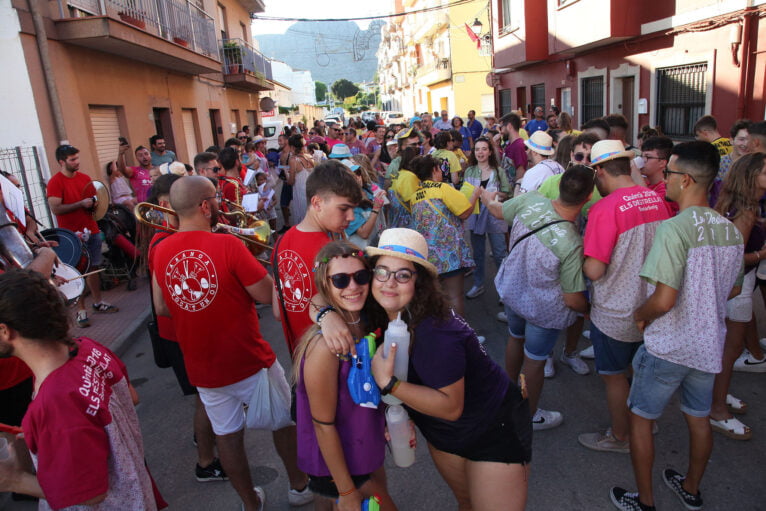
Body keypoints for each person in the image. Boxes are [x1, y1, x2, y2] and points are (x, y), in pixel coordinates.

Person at [152, 176, 312, 510]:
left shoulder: (160, 249)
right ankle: (299, 487)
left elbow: (163, 307)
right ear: (204, 206)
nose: (220, 205)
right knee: (284, 421)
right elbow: (268, 294)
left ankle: (249, 503)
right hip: (249, 358)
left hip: (203, 366)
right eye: (215, 200)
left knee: (227, 436)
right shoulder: (227, 245)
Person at [610, 142, 744, 511]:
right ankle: (691, 488)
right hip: (707, 345)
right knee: (698, 419)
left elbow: (663, 300)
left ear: (684, 180)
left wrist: (641, 314)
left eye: (668, 173)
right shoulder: (730, 231)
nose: (664, 179)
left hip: (668, 345)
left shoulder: (673, 230)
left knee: (641, 420)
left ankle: (646, 501)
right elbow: (733, 288)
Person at [367, 228, 531, 511]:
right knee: (466, 503)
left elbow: (451, 406)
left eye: (403, 275)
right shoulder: (385, 314)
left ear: (420, 283)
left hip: (493, 428)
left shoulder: (435, 330)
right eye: (381, 271)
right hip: (444, 432)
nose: (389, 282)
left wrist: (390, 384)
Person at [0, 269, 165, 510]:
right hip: (138, 493)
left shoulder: (55, 403)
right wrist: (58, 437)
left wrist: (13, 480)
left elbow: (89, 495)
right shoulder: (86, 348)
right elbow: (131, 396)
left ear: (5, 331)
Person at [578, 140, 669, 454]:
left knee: (614, 377)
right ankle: (644, 422)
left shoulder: (603, 209)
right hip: (652, 309)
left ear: (600, 170)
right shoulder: (657, 200)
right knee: (638, 370)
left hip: (615, 313)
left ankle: (620, 437)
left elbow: (594, 271)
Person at [483, 166, 592, 430]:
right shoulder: (572, 242)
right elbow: (572, 299)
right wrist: (591, 311)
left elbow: (499, 211)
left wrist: (488, 198)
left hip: (513, 293)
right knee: (535, 359)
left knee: (515, 338)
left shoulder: (532, 200)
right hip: (543, 310)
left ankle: (507, 396)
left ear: (559, 184)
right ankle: (528, 414)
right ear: (588, 198)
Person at [293, 241, 396, 511]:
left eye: (361, 276)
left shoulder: (368, 320)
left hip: (363, 446)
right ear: (326, 284)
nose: (352, 287)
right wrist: (347, 490)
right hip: (337, 465)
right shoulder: (324, 348)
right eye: (340, 280)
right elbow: (322, 425)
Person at [145, 173, 226, 484]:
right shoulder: (164, 241)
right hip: (179, 334)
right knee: (204, 396)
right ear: (167, 205)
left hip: (186, 331)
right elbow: (165, 302)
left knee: (206, 396)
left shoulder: (174, 237)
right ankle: (205, 462)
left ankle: (203, 438)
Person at [272, 161, 362, 354]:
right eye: (344, 209)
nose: (351, 217)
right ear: (317, 203)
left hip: (301, 359)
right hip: (334, 358)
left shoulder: (280, 243)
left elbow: (278, 312)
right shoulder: (335, 253)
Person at [708, 152, 766, 440]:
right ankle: (717, 410)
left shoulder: (738, 204)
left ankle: (717, 394)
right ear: (752, 176)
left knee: (723, 350)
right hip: (738, 287)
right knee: (729, 351)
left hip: (730, 288)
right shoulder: (745, 210)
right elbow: (734, 259)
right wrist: (761, 253)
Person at [47, 144, 118, 328]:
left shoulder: (85, 178)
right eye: (72, 159)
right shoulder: (55, 182)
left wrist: (96, 205)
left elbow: (94, 204)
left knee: (94, 267)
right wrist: (80, 204)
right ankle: (80, 310)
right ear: (62, 162)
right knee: (77, 272)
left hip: (91, 230)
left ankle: (98, 302)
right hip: (72, 236)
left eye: (77, 158)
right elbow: (55, 208)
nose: (76, 162)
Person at [409, 155, 479, 316]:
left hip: (427, 254)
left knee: (436, 296)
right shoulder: (443, 188)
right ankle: (460, 336)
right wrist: (475, 194)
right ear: (434, 170)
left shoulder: (415, 195)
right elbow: (465, 212)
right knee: (455, 295)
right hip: (449, 253)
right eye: (439, 168)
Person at [464, 137, 510, 299]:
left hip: (494, 214)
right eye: (477, 149)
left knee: (499, 253)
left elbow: (507, 192)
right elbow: (465, 192)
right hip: (475, 214)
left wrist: (495, 194)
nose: (480, 152)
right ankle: (478, 284)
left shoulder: (499, 171)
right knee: (478, 253)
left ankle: (505, 289)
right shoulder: (469, 171)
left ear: (490, 152)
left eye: (484, 149)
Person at [344, 158, 386, 249]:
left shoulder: (369, 190)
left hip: (378, 247)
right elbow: (364, 233)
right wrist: (375, 209)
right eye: (352, 176)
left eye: (358, 172)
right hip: (362, 253)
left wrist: (383, 197)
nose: (357, 177)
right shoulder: (347, 205)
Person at [639, 136, 678, 215]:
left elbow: (650, 210)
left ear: (662, 163)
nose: (642, 161)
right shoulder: (646, 183)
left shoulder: (668, 189)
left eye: (647, 157)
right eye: (641, 156)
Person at [287, 134, 316, 226]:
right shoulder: (310, 157)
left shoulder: (293, 160)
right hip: (312, 192)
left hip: (300, 194)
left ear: (292, 147)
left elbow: (291, 181)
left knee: (302, 219)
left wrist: (286, 175)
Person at [501, 112, 528, 182]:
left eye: (502, 127)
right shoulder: (511, 144)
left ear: (509, 126)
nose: (501, 131)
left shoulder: (518, 146)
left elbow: (520, 170)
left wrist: (516, 190)